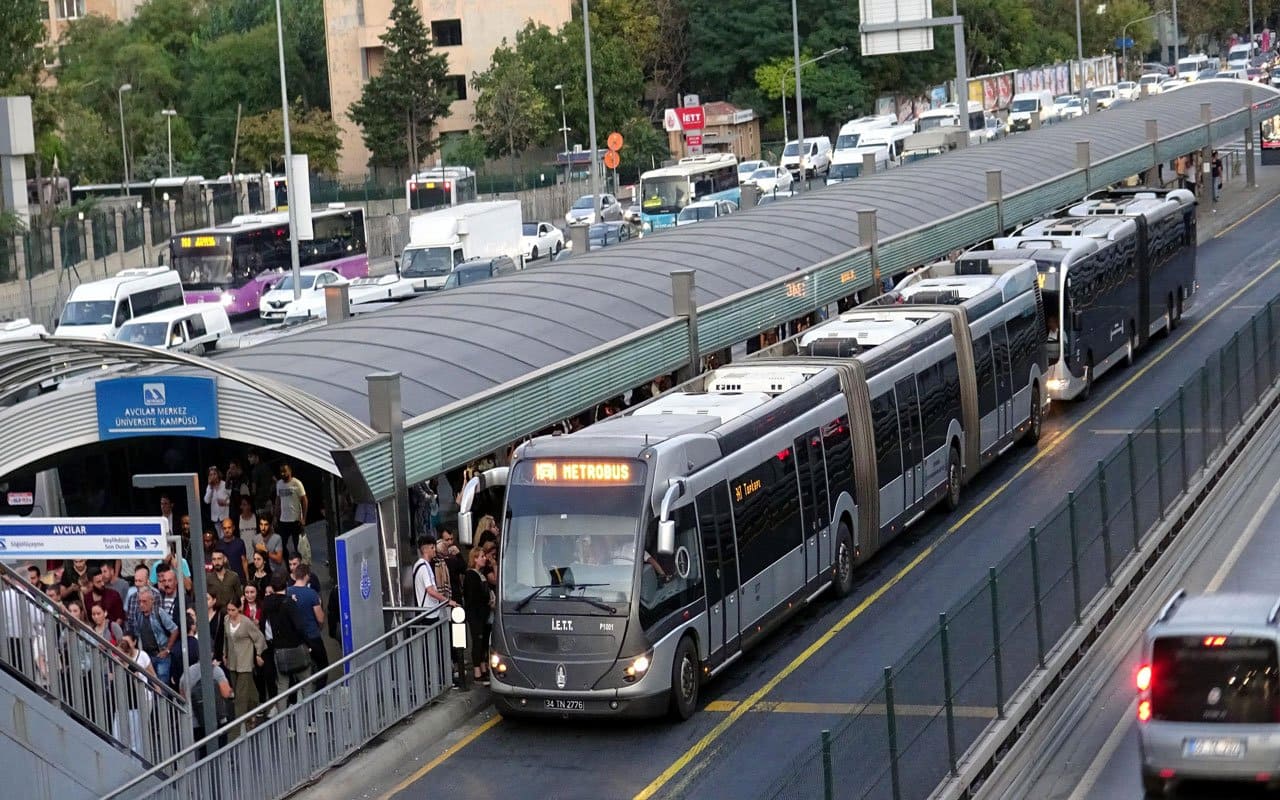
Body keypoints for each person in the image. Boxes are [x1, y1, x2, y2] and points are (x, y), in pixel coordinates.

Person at [262, 574, 311, 709]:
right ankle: (310, 717)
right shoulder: (289, 603)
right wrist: (308, 644)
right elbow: (299, 626)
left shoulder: (267, 604)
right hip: (296, 647)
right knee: (306, 683)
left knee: (282, 687)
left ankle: (282, 721)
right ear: (286, 586)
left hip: (279, 649)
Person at [221, 597, 266, 740]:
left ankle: (236, 730)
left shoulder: (246, 623)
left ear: (239, 608)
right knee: (248, 690)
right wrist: (225, 653)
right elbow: (226, 638)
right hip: (233, 662)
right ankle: (252, 712)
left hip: (245, 661)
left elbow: (259, 638)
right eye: (228, 610)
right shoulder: (226, 620)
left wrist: (258, 654)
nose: (230, 612)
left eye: (233, 610)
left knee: (240, 696)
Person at [287, 564, 329, 688]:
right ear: (307, 576)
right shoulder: (311, 594)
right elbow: (320, 618)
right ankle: (318, 692)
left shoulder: (288, 592)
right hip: (312, 635)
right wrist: (320, 627)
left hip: (295, 638)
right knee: (323, 665)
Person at [462, 547, 495, 685]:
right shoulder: (471, 575)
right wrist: (487, 599)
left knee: (483, 642)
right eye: (481, 556)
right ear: (475, 558)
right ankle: (477, 671)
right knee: (477, 641)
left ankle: (483, 668)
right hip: (476, 614)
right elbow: (473, 596)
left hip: (484, 613)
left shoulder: (480, 574)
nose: (484, 558)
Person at [134, 589, 179, 686]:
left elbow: (174, 630)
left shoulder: (159, 613)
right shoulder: (138, 615)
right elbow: (137, 635)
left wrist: (167, 650)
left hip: (161, 654)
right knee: (148, 683)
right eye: (139, 602)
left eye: (144, 601)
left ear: (152, 601)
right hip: (147, 655)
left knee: (162, 683)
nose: (141, 604)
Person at [411, 537, 454, 621]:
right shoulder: (424, 567)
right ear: (424, 550)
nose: (434, 550)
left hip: (428, 610)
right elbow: (430, 590)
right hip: (428, 612)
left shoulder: (420, 565)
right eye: (432, 547)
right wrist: (447, 601)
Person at [274, 462, 307, 558]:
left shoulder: (297, 483)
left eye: (285, 471)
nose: (283, 474)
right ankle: (289, 565)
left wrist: (303, 518)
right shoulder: (279, 484)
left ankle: (299, 565)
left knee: (298, 546)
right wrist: (276, 517)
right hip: (283, 520)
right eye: (281, 472)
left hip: (295, 520)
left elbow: (304, 500)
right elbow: (278, 501)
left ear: (290, 471)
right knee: (282, 544)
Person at [218, 517, 249, 582]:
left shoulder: (240, 542)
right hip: (224, 580)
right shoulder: (219, 544)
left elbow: (244, 561)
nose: (227, 530)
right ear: (222, 529)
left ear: (233, 528)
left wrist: (247, 579)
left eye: (229, 527)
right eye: (224, 528)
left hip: (239, 579)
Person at [247, 449, 275, 515]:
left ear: (257, 457)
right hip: (269, 501)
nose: (248, 459)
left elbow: (254, 491)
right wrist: (269, 491)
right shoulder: (266, 467)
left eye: (250, 457)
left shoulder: (254, 471)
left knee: (262, 524)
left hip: (260, 504)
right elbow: (276, 481)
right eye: (248, 457)